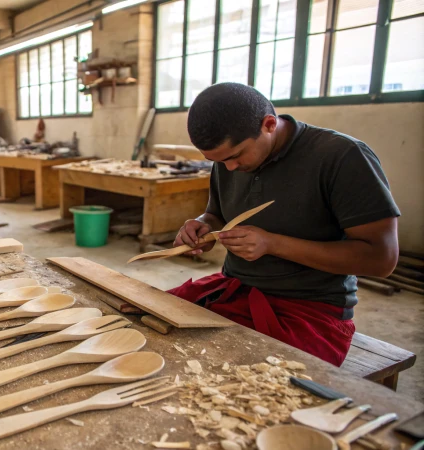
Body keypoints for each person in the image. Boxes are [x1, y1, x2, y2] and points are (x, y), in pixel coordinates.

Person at [169, 83, 399, 366]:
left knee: (237, 376)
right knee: (145, 320)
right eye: (216, 160)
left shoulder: (342, 156)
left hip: (309, 308)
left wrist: (273, 244)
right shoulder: (227, 160)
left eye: (235, 156)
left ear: (268, 124)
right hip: (234, 288)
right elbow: (216, 215)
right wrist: (202, 226)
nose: (229, 168)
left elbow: (382, 259)